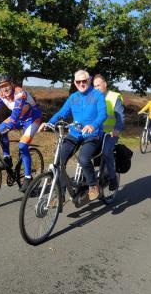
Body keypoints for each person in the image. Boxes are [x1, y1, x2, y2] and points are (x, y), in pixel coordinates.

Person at [39, 70, 107, 201]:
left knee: (83, 158)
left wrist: (93, 125)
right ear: (75, 83)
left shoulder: (97, 95)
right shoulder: (73, 97)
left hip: (92, 134)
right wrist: (49, 123)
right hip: (75, 133)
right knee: (59, 161)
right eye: (78, 81)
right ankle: (61, 194)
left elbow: (102, 114)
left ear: (89, 80)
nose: (81, 84)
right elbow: (62, 113)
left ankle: (93, 185)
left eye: (84, 81)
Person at [0, 74, 42, 192]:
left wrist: (10, 125)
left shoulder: (20, 93)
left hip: (33, 119)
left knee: (23, 146)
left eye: (6, 85)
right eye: (1, 86)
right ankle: (7, 158)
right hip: (19, 118)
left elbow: (16, 112)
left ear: (12, 84)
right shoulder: (0, 94)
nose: (4, 88)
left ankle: (28, 178)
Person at [93, 74, 124, 191]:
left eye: (99, 85)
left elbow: (120, 116)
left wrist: (117, 129)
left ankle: (113, 178)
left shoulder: (114, 97)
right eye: (94, 86)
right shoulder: (92, 97)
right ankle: (89, 180)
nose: (96, 88)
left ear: (105, 84)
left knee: (106, 152)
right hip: (96, 132)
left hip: (110, 133)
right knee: (85, 153)